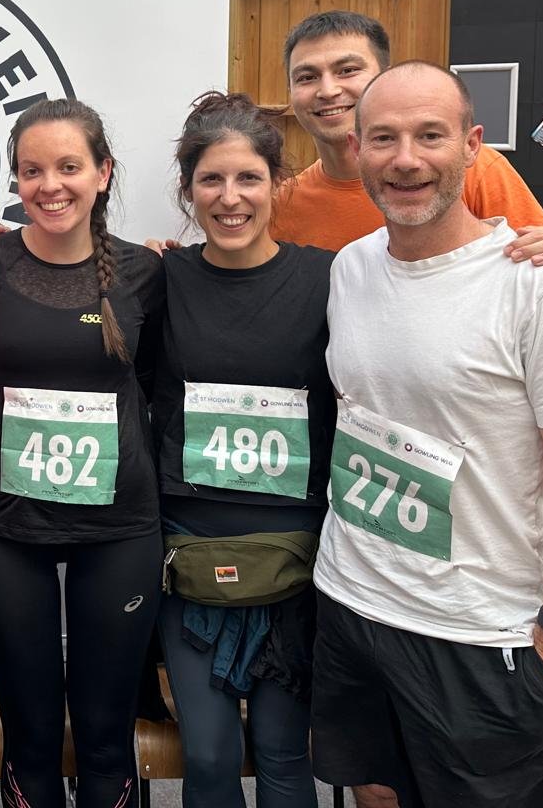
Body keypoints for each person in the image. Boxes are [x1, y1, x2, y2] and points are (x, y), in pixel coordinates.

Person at [311, 62, 543, 808]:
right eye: (383, 139)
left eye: (430, 136)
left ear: (472, 146)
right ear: (357, 151)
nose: (405, 160)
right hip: (352, 602)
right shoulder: (351, 270)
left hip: (482, 631)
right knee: (376, 796)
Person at [0, 99, 164, 808]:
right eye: (32, 170)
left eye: (69, 167)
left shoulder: (145, 273)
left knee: (104, 737)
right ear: (15, 178)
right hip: (8, 528)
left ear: (103, 172)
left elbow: (154, 384)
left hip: (119, 527)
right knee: (31, 736)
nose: (50, 185)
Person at [149, 92, 334, 808]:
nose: (230, 199)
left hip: (296, 560)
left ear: (276, 183)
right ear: (188, 188)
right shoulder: (158, 280)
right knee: (209, 754)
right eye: (212, 180)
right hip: (190, 555)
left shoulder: (329, 279)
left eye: (248, 178)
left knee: (286, 755)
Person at [274, 12, 543, 292]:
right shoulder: (283, 204)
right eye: (307, 77)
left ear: (385, 77)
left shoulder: (469, 170)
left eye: (347, 70)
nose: (328, 90)